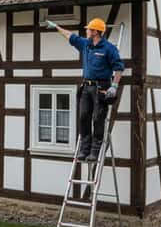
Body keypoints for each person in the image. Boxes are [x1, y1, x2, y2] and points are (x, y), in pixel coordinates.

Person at [47, 18, 124, 162]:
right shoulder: (85, 44)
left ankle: (95, 151)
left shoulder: (109, 48)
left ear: (96, 32)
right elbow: (70, 35)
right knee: (83, 117)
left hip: (101, 87)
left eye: (89, 29)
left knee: (98, 118)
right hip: (86, 87)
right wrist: (57, 26)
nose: (87, 31)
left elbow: (119, 68)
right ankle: (84, 149)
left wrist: (114, 86)